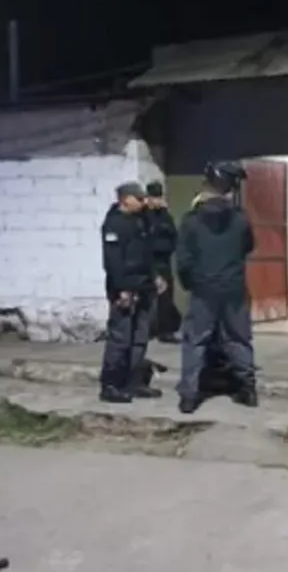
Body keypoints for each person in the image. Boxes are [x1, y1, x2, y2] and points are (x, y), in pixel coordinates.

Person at [175, 162, 257, 414]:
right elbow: (248, 247)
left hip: (203, 289)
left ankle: (189, 396)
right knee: (238, 338)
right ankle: (247, 389)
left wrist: (191, 283)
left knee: (195, 341)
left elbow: (183, 260)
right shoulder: (240, 219)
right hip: (233, 288)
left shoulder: (191, 220)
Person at [98, 181, 166, 403]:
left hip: (143, 286)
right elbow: (113, 262)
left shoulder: (141, 219)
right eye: (139, 198)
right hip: (124, 290)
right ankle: (111, 385)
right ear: (125, 199)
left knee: (139, 338)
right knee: (120, 339)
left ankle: (133, 382)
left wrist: (154, 276)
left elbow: (147, 252)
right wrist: (122, 290)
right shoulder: (114, 224)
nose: (143, 202)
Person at [144, 181, 182, 343]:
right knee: (148, 298)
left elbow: (174, 236)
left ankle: (166, 331)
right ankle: (146, 330)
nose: (156, 201)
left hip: (164, 261)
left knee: (166, 297)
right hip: (148, 261)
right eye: (153, 197)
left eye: (158, 197)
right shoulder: (144, 216)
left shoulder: (165, 216)